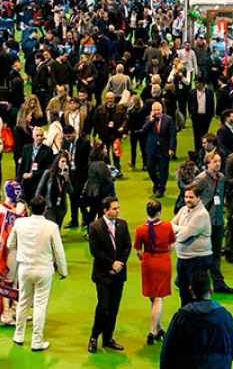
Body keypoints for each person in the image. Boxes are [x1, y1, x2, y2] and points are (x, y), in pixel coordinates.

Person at [8, 195, 68, 352]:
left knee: (23, 302)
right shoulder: (51, 227)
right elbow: (58, 252)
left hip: (24, 268)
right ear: (45, 209)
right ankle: (37, 340)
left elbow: (10, 244)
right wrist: (63, 271)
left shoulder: (19, 223)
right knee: (40, 304)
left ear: (30, 208)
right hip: (44, 269)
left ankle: (18, 335)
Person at [88, 196, 131, 354]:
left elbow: (127, 245)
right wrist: (110, 264)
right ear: (105, 211)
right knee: (103, 306)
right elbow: (95, 250)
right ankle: (94, 337)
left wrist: (119, 264)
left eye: (118, 208)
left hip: (118, 274)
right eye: (114, 208)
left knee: (114, 307)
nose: (117, 211)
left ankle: (108, 337)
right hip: (102, 274)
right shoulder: (95, 227)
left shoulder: (123, 224)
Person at [193, 152, 233, 294]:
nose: (218, 164)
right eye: (215, 162)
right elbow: (190, 196)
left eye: (219, 162)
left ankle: (218, 283)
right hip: (205, 222)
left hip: (218, 220)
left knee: (216, 252)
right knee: (203, 253)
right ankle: (195, 282)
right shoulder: (201, 179)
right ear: (208, 163)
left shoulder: (222, 178)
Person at [133, 199, 176, 345]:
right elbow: (172, 245)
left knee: (153, 296)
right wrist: (163, 255)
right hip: (163, 261)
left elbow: (138, 250)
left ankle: (158, 329)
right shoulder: (167, 226)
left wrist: (144, 259)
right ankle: (152, 331)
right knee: (158, 297)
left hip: (147, 263)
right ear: (160, 212)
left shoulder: (140, 229)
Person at [171, 183, 213, 306]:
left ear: (199, 198)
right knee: (183, 291)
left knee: (197, 294)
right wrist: (182, 229)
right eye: (186, 197)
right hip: (184, 258)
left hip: (198, 260)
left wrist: (178, 230)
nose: (187, 200)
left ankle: (198, 316)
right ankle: (186, 314)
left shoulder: (201, 215)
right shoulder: (184, 210)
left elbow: (183, 236)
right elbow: (170, 226)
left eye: (191, 197)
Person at [0, 181, 28, 325]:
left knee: (18, 280)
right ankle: (5, 313)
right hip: (8, 251)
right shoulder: (1, 211)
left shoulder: (21, 207)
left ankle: (16, 309)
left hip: (22, 248)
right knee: (7, 282)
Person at [142, 101, 177, 198]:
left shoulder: (168, 119)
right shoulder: (149, 119)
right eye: (155, 110)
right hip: (151, 148)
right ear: (152, 111)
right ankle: (156, 183)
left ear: (162, 110)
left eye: (158, 110)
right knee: (149, 168)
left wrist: (171, 148)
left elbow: (172, 135)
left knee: (163, 170)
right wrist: (151, 120)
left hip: (164, 149)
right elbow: (144, 130)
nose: (157, 111)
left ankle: (161, 189)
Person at [36, 152, 73, 226]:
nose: (64, 164)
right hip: (49, 206)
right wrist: (38, 203)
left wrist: (67, 179)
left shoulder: (67, 175)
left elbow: (70, 191)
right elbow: (39, 189)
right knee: (52, 226)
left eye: (66, 162)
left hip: (61, 207)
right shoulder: (48, 173)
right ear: (57, 162)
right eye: (62, 161)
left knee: (57, 228)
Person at [83, 143, 114, 226]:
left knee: (92, 212)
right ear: (100, 151)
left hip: (92, 192)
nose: (106, 150)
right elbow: (105, 179)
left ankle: (90, 231)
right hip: (100, 193)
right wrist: (112, 176)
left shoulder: (91, 163)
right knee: (100, 213)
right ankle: (98, 231)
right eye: (105, 148)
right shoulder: (101, 164)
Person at [187, 78, 215, 154]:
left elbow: (212, 103)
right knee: (196, 134)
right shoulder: (191, 92)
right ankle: (197, 150)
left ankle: (204, 150)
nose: (196, 85)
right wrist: (191, 114)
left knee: (205, 133)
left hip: (206, 116)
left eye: (197, 83)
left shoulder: (209, 92)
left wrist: (211, 114)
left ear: (202, 83)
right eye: (195, 83)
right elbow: (189, 104)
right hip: (196, 116)